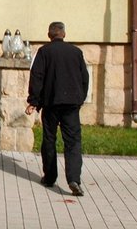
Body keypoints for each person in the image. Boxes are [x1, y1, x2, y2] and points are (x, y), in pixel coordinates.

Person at [25, 21, 89, 197]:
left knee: (49, 139)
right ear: (64, 34)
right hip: (71, 105)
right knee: (73, 142)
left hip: (51, 104)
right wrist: (80, 98)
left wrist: (34, 101)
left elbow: (37, 77)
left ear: (49, 35)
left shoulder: (44, 52)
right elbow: (85, 78)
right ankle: (74, 179)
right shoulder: (76, 53)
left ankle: (50, 177)